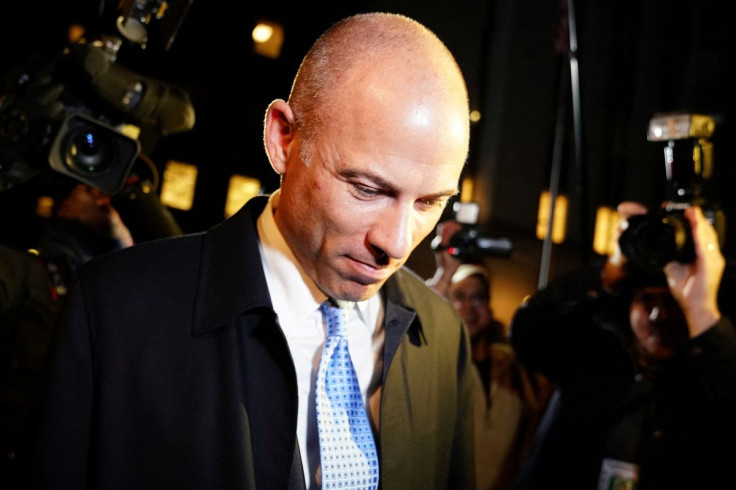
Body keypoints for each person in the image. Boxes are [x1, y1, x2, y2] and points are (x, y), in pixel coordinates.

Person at [34, 12, 475, 489]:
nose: (397, 243)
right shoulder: (116, 308)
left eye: (431, 202)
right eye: (367, 189)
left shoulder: (443, 335)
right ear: (283, 138)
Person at [509, 201, 736, 490]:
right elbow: (528, 333)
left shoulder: (706, 378)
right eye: (647, 301)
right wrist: (610, 268)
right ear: (628, 306)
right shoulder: (593, 353)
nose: (658, 316)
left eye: (672, 304)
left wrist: (702, 310)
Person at [1, 179, 133, 489]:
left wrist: (121, 235)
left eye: (108, 194)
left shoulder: (128, 287)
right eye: (89, 190)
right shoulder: (26, 273)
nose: (102, 200)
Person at [427, 220, 552, 490]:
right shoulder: (437, 360)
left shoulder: (514, 367)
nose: (470, 307)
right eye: (460, 297)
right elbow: (415, 324)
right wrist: (445, 275)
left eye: (479, 298)